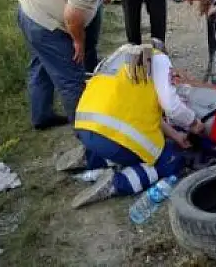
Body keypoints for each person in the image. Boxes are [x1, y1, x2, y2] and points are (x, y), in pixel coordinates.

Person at [17, 0, 138, 130]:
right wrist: (78, 42)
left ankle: (42, 116)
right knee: (72, 80)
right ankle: (88, 136)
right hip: (45, 24)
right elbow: (73, 18)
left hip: (29, 10)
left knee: (41, 65)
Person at [67, 39, 208, 208]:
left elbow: (143, 111)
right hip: (110, 135)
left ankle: (92, 157)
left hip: (85, 125)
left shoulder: (120, 56)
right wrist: (194, 123)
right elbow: (172, 106)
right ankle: (116, 184)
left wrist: (177, 135)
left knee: (125, 145)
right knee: (171, 159)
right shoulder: (159, 59)